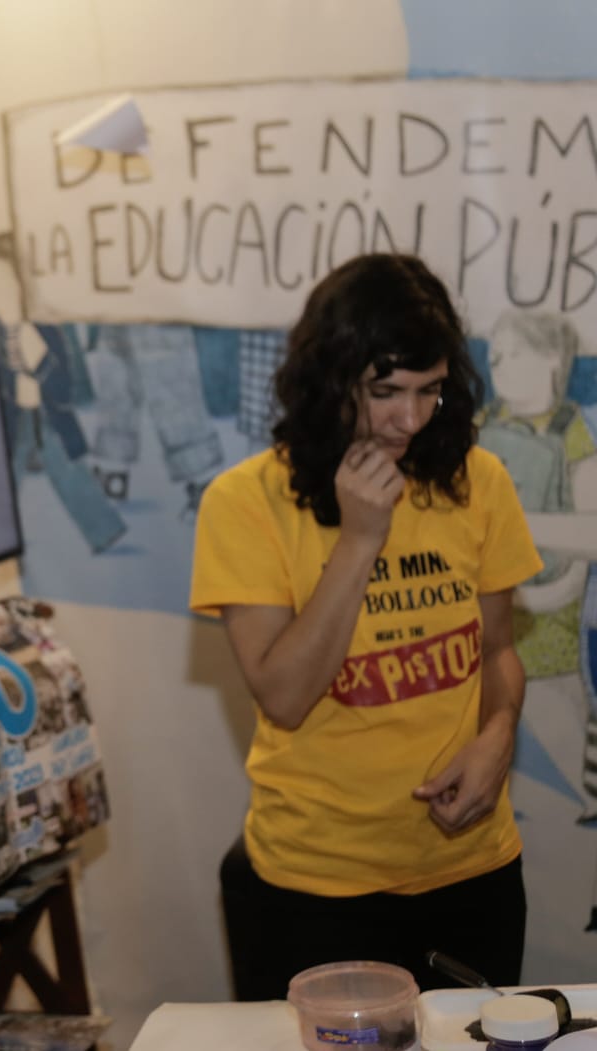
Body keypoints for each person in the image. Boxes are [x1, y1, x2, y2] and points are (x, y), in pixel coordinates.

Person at [188, 254, 543, 1000]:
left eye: (429, 390)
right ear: (331, 380)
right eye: (385, 392)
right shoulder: (245, 501)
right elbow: (285, 696)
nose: (410, 420)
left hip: (471, 867)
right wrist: (359, 539)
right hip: (317, 886)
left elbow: (498, 652)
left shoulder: (479, 481)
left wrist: (498, 737)